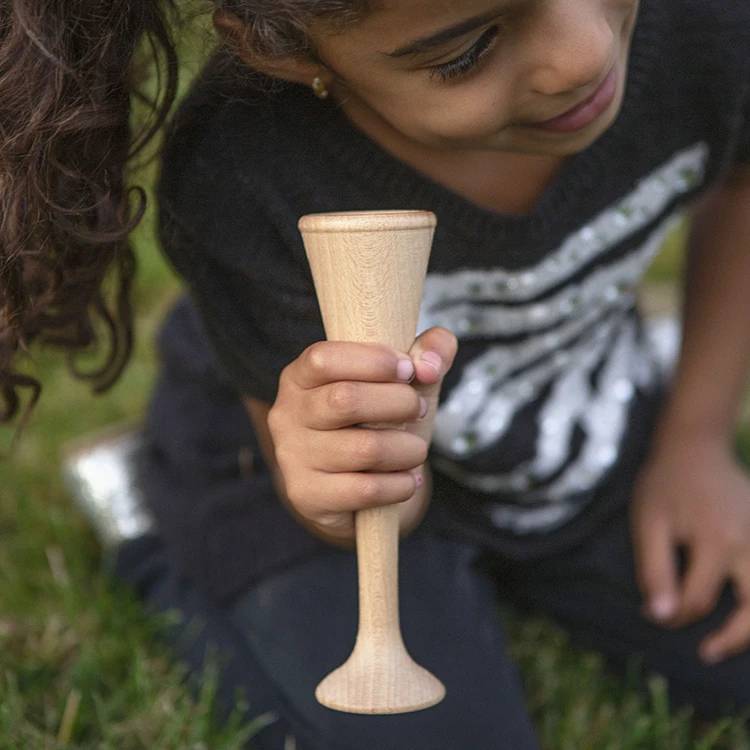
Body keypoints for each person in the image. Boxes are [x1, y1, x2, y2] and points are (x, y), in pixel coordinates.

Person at [4, 0, 750, 747]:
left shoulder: (706, 23)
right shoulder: (244, 172)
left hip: (551, 404)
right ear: (296, 56)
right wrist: (339, 489)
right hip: (296, 464)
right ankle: (145, 513)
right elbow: (350, 504)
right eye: (465, 53)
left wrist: (695, 440)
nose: (583, 52)